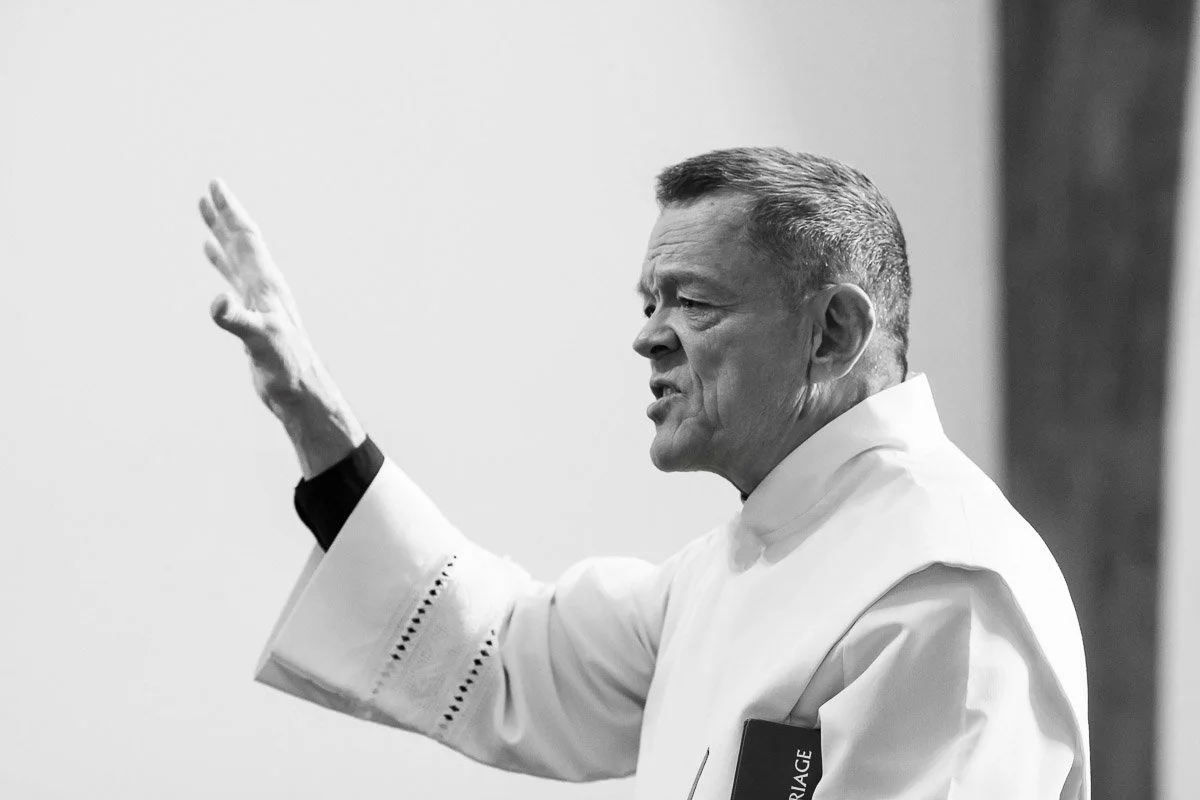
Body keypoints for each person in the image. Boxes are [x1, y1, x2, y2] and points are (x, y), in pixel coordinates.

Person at [199, 148, 1091, 799]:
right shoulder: (731, 565)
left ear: (833, 334)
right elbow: (506, 651)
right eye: (650, 301)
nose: (648, 336)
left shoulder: (943, 585)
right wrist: (315, 416)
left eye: (693, 300)